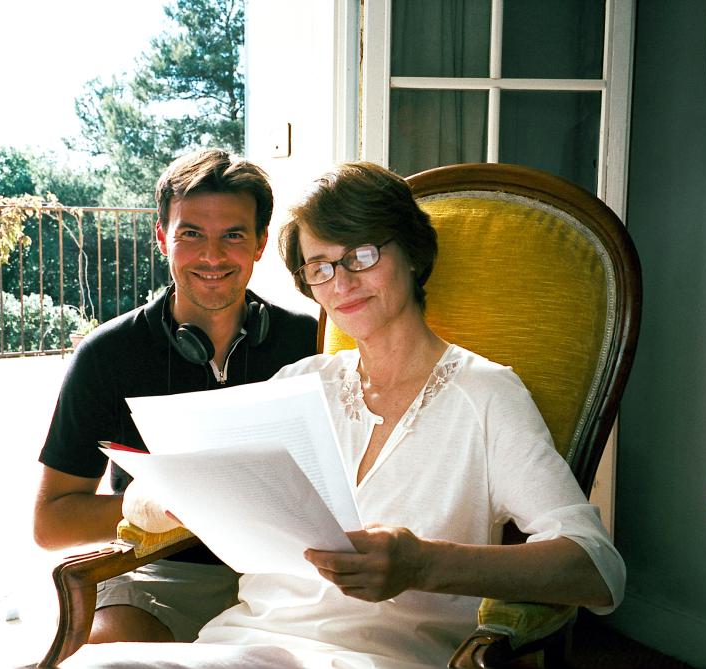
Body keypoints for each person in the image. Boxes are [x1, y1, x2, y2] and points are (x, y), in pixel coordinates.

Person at [62, 162, 625, 669]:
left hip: (383, 657)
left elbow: (597, 568)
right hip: (244, 645)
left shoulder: (486, 395)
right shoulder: (297, 384)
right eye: (320, 267)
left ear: (410, 252)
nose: (343, 283)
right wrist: (165, 494)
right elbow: (148, 507)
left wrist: (423, 565)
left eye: (360, 255)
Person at [33, 149, 318, 645]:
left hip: (291, 579)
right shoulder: (106, 355)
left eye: (233, 235)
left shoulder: (309, 342)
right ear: (162, 236)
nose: (212, 256)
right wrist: (165, 504)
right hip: (161, 576)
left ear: (260, 244)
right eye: (191, 234)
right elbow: (51, 522)